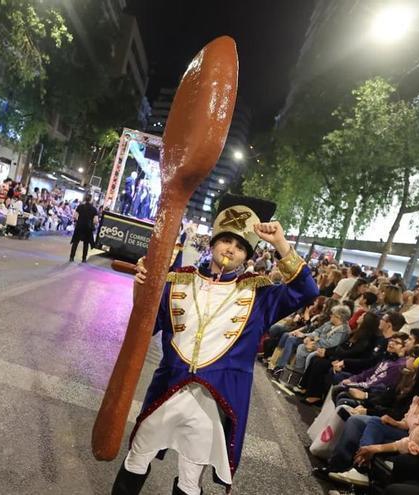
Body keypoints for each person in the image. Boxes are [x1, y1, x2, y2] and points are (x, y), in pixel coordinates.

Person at [112, 195, 318, 494]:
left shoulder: (260, 296)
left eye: (239, 247)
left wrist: (281, 244)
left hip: (213, 399)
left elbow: (307, 291)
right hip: (168, 388)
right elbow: (147, 325)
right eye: (226, 242)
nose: (230, 249)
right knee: (137, 456)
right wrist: (141, 286)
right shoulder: (177, 280)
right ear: (213, 244)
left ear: (247, 257)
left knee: (190, 477)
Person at [69, 194, 98, 263]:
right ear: (91, 200)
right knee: (86, 244)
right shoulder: (94, 209)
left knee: (75, 242)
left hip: (79, 226)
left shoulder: (80, 207)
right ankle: (84, 259)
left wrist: (78, 221)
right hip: (88, 228)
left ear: (85, 199)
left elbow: (75, 216)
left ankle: (72, 257)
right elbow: (96, 221)